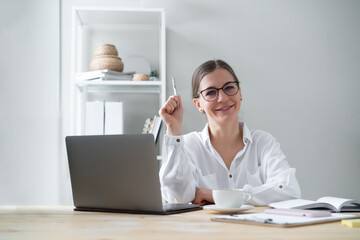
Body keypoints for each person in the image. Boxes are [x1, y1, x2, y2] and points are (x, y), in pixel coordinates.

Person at [158, 59, 301, 206]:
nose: (223, 98)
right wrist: (174, 130)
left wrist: (216, 195)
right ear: (198, 104)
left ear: (240, 93)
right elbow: (177, 198)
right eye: (211, 92)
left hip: (254, 229)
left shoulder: (262, 142)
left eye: (229, 88)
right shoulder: (188, 146)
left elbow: (289, 191)